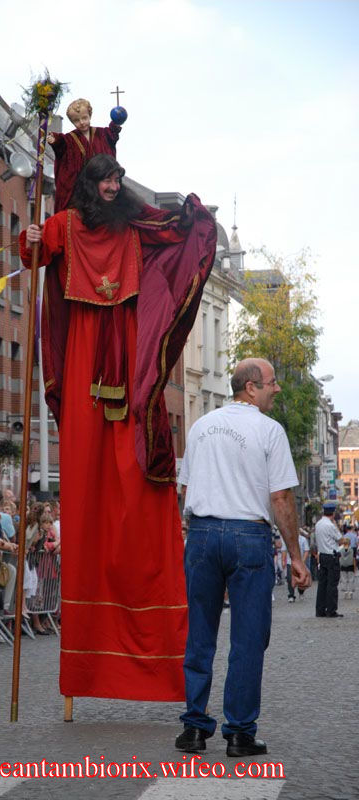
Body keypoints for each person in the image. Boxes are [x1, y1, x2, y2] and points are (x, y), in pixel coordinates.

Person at [21, 153, 216, 701]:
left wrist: (192, 217)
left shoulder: (133, 222)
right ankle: (87, 662)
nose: (112, 187)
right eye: (105, 180)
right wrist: (28, 238)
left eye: (116, 179)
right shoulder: (65, 224)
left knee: (134, 470)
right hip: (84, 348)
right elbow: (34, 254)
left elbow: (170, 231)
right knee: (86, 484)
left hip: (128, 344)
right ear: (90, 184)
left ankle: (156, 659)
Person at [176, 359, 312, 757]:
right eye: (272, 383)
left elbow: (185, 490)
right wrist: (296, 557)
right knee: (248, 638)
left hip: (202, 533)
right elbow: (280, 498)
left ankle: (194, 727)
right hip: (248, 535)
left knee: (200, 633)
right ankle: (239, 732)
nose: (277, 389)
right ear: (251, 388)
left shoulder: (201, 427)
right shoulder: (269, 430)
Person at [47, 98, 123, 212]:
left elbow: (112, 133)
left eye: (84, 118)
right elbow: (61, 144)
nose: (82, 122)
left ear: (90, 115)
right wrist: (54, 140)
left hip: (103, 188)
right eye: (76, 120)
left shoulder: (102, 134)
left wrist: (117, 121)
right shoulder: (69, 139)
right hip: (81, 190)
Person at [315, 502, 345, 618]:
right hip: (332, 556)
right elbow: (341, 540)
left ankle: (320, 610)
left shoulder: (318, 524)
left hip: (322, 555)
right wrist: (336, 525)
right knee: (332, 584)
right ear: (332, 513)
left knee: (322, 584)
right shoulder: (330, 525)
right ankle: (331, 610)